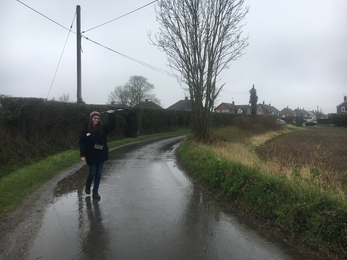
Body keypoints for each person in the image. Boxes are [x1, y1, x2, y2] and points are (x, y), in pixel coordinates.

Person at [79, 110, 116, 199]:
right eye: (95, 118)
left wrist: (111, 114)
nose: (96, 120)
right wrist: (82, 154)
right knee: (92, 173)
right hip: (91, 155)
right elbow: (82, 142)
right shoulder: (85, 130)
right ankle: (88, 185)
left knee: (98, 173)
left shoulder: (103, 128)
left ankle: (95, 191)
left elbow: (112, 124)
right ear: (91, 118)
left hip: (101, 154)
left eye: (98, 118)